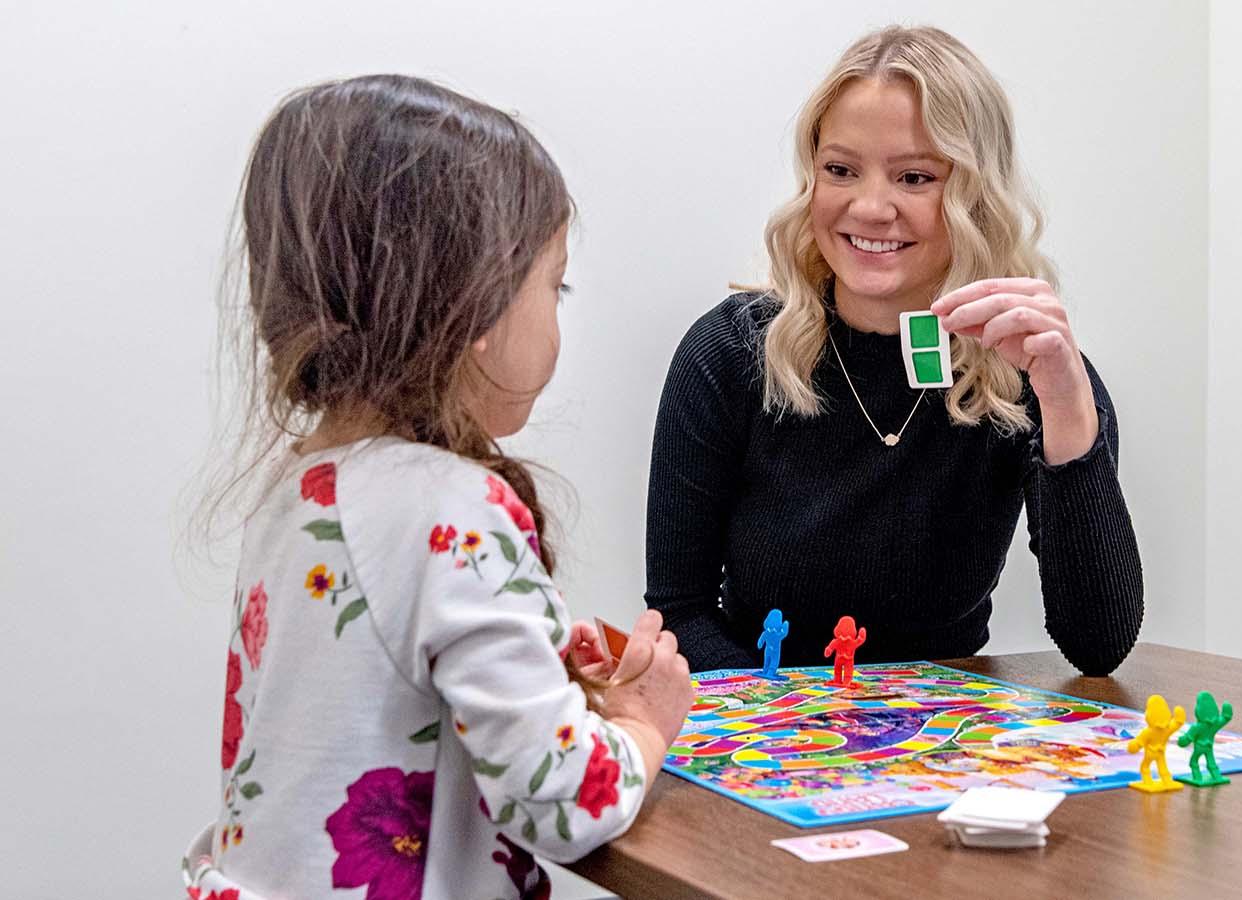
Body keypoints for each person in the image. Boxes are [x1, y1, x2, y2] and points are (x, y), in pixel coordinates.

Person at [183, 74, 692, 899]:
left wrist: (549, 661)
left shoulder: (303, 488)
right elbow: (556, 800)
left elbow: (391, 683)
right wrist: (641, 728)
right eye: (553, 285)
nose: (558, 313)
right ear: (482, 312)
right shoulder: (455, 506)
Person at [646, 26, 1143, 675]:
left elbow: (1099, 647)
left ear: (975, 193)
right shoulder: (730, 353)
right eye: (841, 170)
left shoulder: (1034, 374)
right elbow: (680, 613)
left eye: (914, 176)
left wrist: (1068, 411)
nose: (870, 207)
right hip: (772, 743)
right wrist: (801, 734)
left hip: (946, 748)